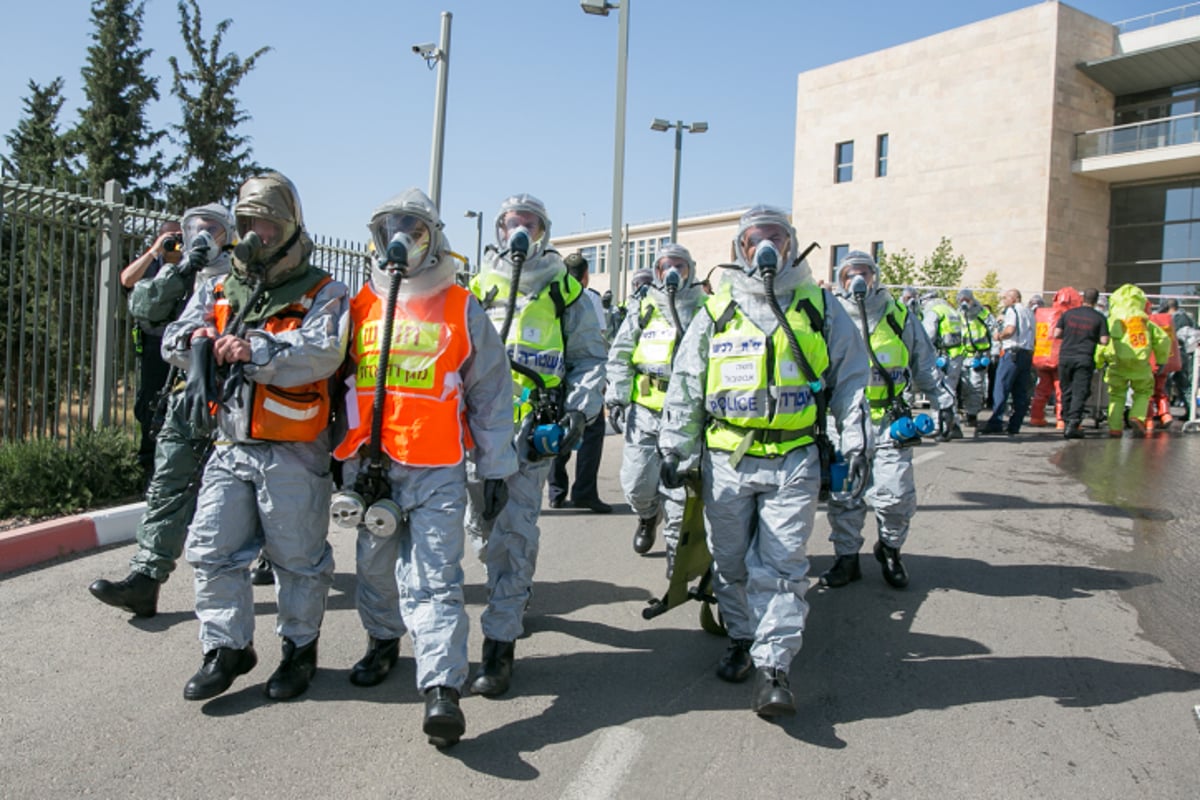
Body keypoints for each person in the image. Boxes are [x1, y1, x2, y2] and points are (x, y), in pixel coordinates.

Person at [658, 206, 870, 718]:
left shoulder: (819, 305)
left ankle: (774, 668)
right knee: (729, 561)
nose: (767, 248)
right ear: (740, 249)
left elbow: (852, 377)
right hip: (728, 457)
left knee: (781, 565)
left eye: (777, 237)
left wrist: (856, 439)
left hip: (793, 456)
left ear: (794, 245)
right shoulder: (717, 308)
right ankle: (739, 634)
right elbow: (687, 384)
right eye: (756, 240)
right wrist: (674, 447)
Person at [333, 188, 516, 748]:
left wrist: (495, 467)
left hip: (436, 466)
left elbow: (490, 393)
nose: (402, 238)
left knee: (437, 581)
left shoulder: (461, 306)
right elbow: (330, 379)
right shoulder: (361, 303)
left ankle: (442, 688)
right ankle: (384, 640)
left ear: (433, 238)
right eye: (392, 227)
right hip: (372, 467)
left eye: (413, 229)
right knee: (374, 567)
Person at [164, 172, 349, 701]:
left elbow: (322, 352)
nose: (258, 234)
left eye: (268, 223)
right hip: (230, 442)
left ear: (291, 227)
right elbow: (174, 340)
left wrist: (256, 350)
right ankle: (226, 648)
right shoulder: (219, 286)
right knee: (211, 549)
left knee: (298, 559)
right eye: (249, 223)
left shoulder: (323, 290)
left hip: (294, 450)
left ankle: (299, 650)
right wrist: (199, 341)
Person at [464, 194, 606, 698]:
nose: (519, 231)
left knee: (514, 533)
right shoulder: (478, 287)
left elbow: (591, 358)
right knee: (484, 533)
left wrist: (577, 408)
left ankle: (499, 646)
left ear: (544, 231)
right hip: (476, 431)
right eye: (511, 223)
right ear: (500, 230)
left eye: (530, 223)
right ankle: (512, 593)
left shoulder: (566, 291)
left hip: (530, 433)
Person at [89, 203, 237, 617]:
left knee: (246, 488)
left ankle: (271, 563)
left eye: (213, 229)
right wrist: (178, 265)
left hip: (238, 397)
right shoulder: (182, 272)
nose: (203, 236)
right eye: (196, 229)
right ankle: (145, 578)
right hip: (186, 393)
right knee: (168, 480)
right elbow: (144, 308)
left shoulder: (244, 272)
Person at [823, 251, 956, 591]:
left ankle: (891, 549)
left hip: (889, 419)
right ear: (839, 280)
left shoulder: (898, 315)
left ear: (875, 277)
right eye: (850, 274)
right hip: (844, 421)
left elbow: (923, 361)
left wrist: (942, 402)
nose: (858, 280)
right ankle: (847, 558)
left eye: (865, 273)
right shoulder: (829, 315)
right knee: (845, 494)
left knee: (895, 494)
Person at [605, 243, 707, 564]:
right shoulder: (644, 307)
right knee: (635, 484)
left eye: (680, 266)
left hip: (686, 417)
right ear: (658, 272)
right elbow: (621, 354)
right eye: (665, 267)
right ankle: (648, 515)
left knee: (678, 488)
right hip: (645, 412)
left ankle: (676, 552)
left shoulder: (708, 309)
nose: (672, 273)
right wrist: (617, 397)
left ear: (691, 270)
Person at [547, 252, 612, 513]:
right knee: (590, 428)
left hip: (553, 371)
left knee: (555, 425)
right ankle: (584, 491)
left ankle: (556, 491)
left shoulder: (552, 291)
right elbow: (597, 338)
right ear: (586, 275)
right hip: (581, 370)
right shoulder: (589, 297)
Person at [122, 219, 183, 476]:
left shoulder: (189, 266)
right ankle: (149, 465)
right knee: (150, 404)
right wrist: (154, 250)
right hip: (153, 346)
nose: (175, 243)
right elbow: (126, 279)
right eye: (171, 238)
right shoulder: (150, 264)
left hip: (182, 347)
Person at [1095, 284, 1171, 437]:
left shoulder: (1112, 321)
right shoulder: (1145, 322)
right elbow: (1162, 340)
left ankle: (1115, 428)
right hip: (1140, 362)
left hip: (1116, 362)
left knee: (1116, 395)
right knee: (1143, 392)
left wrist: (1098, 361)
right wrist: (1161, 360)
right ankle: (1136, 416)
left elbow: (1103, 343)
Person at [978, 288, 1035, 436]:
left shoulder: (1012, 310)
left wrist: (999, 335)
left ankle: (996, 422)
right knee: (1020, 392)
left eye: (1005, 298)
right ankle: (1015, 424)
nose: (1003, 301)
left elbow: (1010, 330)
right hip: (1026, 354)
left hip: (1012, 353)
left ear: (1014, 299)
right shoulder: (1029, 312)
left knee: (1001, 387)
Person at [1054, 288, 1108, 438]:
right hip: (1084, 357)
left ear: (1083, 298)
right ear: (1096, 301)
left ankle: (1065, 420)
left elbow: (1056, 333)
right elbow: (1104, 341)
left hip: (1065, 356)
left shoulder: (1068, 314)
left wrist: (1070, 335)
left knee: (1066, 390)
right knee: (1080, 391)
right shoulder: (1099, 317)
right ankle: (1073, 423)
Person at [1030, 287, 1081, 429]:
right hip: (1059, 358)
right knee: (1062, 390)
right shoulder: (1068, 315)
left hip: (1041, 356)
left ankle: (1036, 416)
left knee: (1041, 389)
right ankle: (1061, 419)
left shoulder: (1041, 313)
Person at [920, 290, 964, 439]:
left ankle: (942, 427)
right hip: (955, 354)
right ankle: (954, 424)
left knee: (939, 391)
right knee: (950, 390)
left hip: (942, 357)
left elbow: (927, 336)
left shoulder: (934, 312)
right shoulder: (950, 310)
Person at [955, 289, 993, 426]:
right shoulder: (957, 314)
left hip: (979, 355)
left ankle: (972, 414)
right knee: (965, 386)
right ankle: (965, 410)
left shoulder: (983, 313)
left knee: (976, 386)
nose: (964, 303)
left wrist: (992, 352)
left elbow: (993, 331)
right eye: (961, 300)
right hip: (962, 355)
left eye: (967, 300)